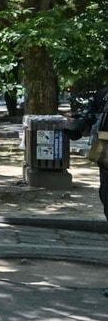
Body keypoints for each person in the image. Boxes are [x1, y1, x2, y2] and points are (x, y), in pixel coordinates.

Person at [69, 87, 108, 223]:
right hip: (105, 152)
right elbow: (90, 113)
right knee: (106, 194)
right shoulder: (104, 94)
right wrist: (78, 125)